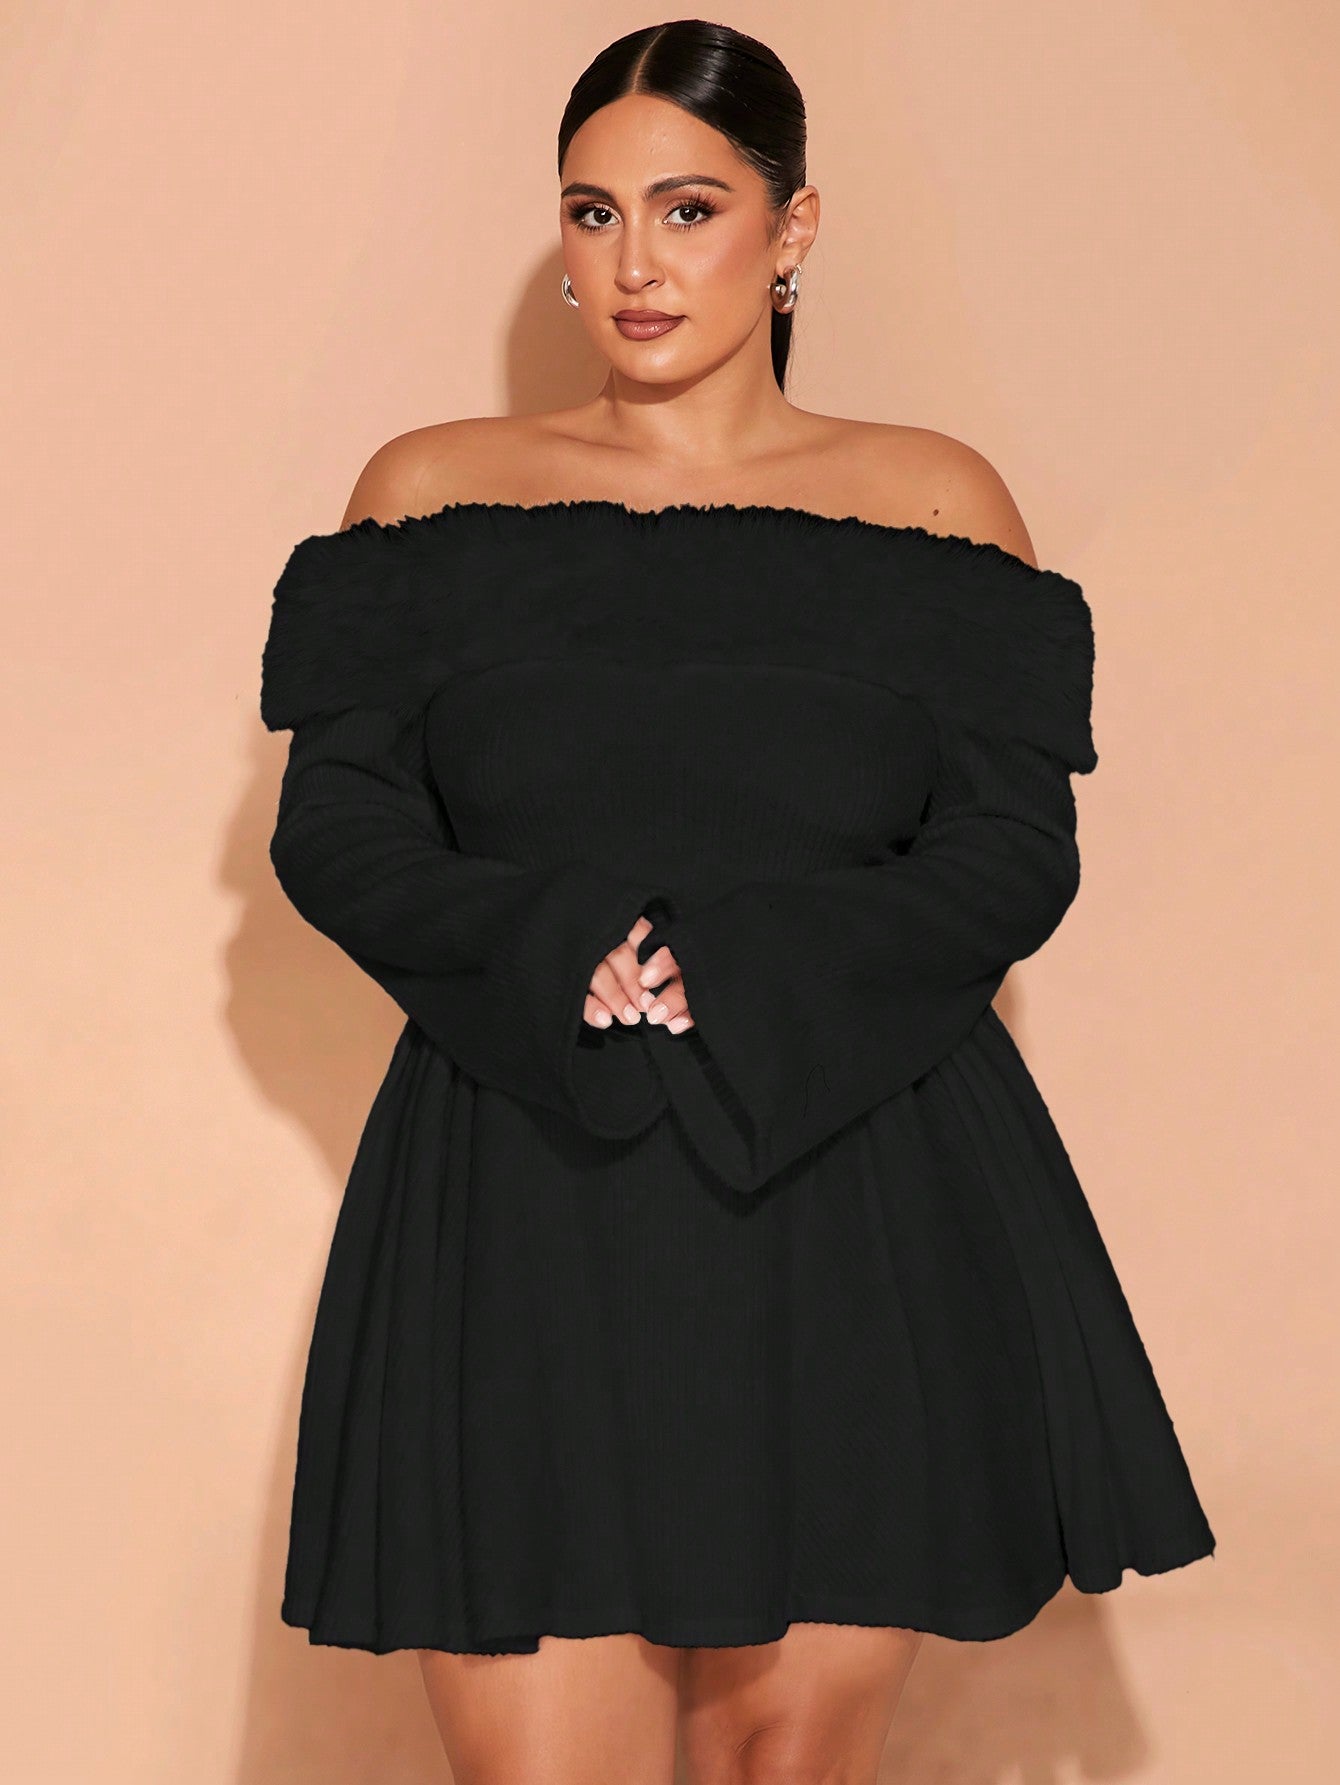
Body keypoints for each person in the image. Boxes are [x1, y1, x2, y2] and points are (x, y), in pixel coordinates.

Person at [258, 19, 1215, 1785]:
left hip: (858, 1190)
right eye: (594, 212)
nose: (634, 263)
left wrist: (735, 969)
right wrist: (560, 953)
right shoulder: (430, 498)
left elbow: (1011, 854)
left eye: (688, 210)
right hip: (521, 1195)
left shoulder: (936, 505)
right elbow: (339, 829)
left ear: (793, 230)